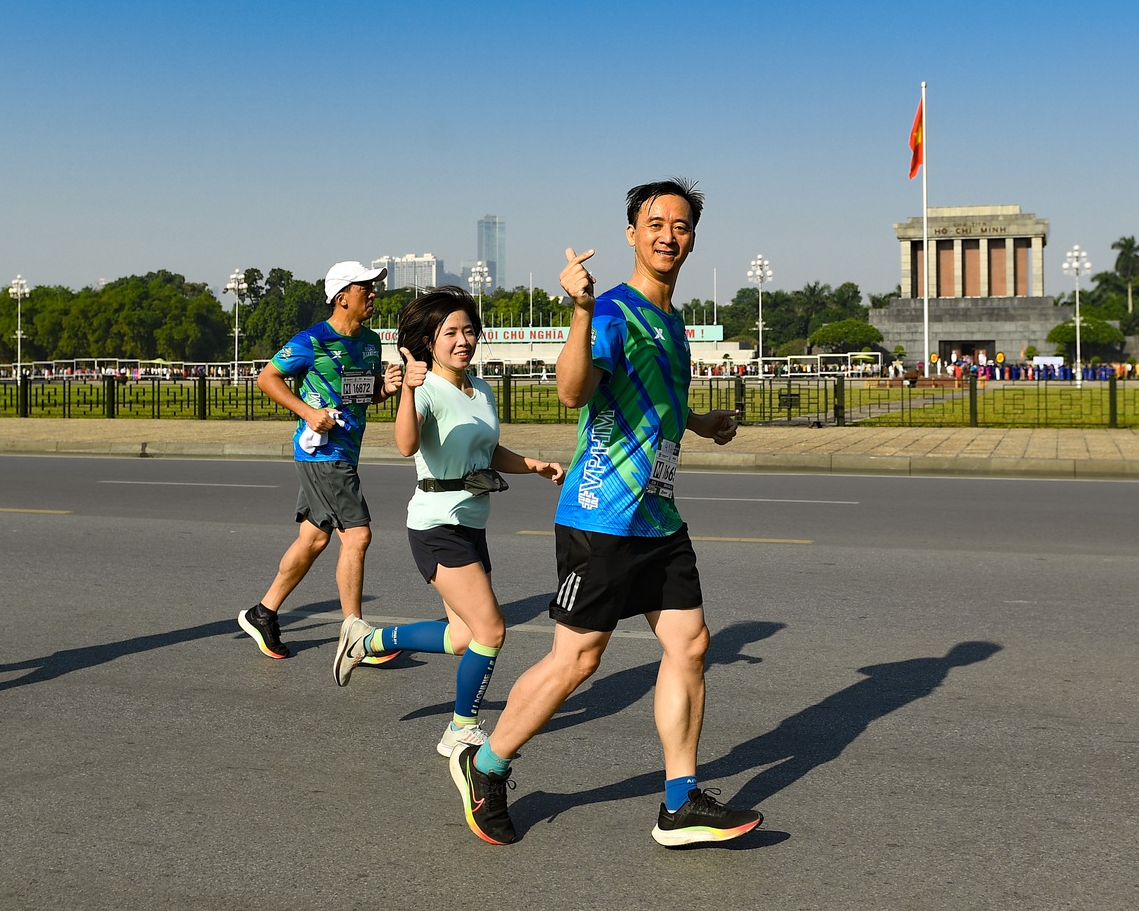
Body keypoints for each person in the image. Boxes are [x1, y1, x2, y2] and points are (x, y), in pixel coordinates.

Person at [450, 179, 763, 848]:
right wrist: (582, 311)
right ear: (632, 234)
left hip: (658, 518)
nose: (667, 236)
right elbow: (571, 393)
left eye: (680, 226)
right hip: (602, 516)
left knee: (691, 645)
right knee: (579, 658)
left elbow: (660, 406)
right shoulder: (614, 313)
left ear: (692, 238)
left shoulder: (673, 323)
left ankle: (679, 802)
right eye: (655, 224)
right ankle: (487, 764)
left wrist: (704, 423)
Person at [343, 287, 565, 760]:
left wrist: (532, 464)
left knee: (464, 637)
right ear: (429, 340)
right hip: (436, 524)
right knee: (491, 631)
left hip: (470, 523)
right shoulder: (425, 389)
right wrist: (406, 389)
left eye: (468, 331)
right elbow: (406, 444)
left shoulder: (478, 387)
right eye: (450, 333)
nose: (462, 340)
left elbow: (486, 452)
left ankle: (369, 640)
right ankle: (461, 728)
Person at [236, 261, 404, 679]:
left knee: (313, 539)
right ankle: (356, 637)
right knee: (358, 536)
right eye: (367, 287)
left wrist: (387, 387)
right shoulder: (312, 340)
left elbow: (361, 394)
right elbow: (267, 378)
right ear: (342, 294)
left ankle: (263, 612)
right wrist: (309, 412)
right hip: (322, 454)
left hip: (346, 452)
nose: (374, 294)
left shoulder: (369, 342)